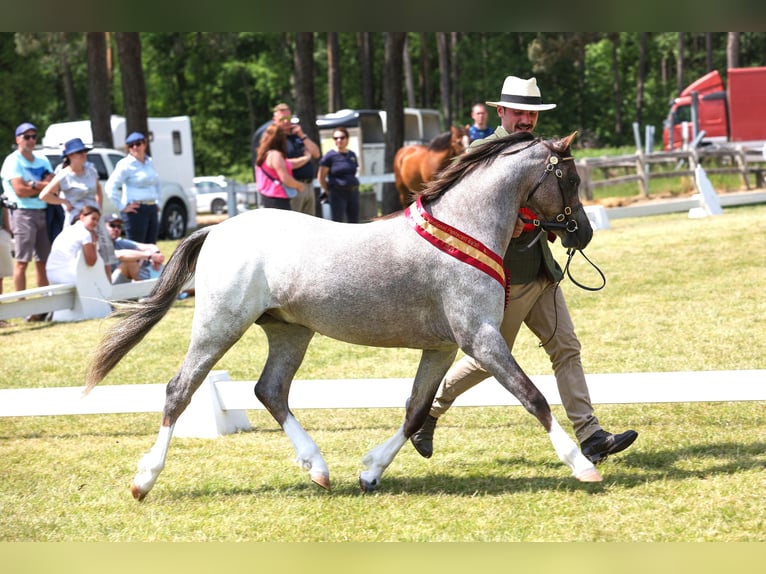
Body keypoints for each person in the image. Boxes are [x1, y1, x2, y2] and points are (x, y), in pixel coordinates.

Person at [410, 75, 638, 465]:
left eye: (531, 113)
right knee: (487, 360)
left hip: (542, 272)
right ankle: (428, 411)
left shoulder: (540, 152)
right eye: (518, 112)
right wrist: (512, 221)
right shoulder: (482, 151)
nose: (526, 119)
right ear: (502, 112)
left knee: (566, 348)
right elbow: (456, 210)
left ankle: (590, 435)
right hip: (503, 279)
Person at [40, 137, 116, 281]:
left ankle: (108, 294)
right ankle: (81, 289)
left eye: (84, 152)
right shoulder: (64, 175)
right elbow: (44, 195)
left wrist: (98, 208)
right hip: (77, 221)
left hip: (95, 218)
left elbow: (98, 189)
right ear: (70, 156)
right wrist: (64, 202)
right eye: (79, 152)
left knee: (105, 255)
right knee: (80, 258)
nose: (83, 155)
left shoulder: (91, 170)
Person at [0, 122, 55, 297]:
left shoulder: (43, 159)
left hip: (43, 212)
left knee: (43, 261)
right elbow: (20, 191)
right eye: (26, 137)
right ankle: (22, 304)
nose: (31, 140)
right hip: (22, 213)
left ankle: (45, 304)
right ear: (18, 139)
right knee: (22, 261)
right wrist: (42, 186)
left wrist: (32, 184)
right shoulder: (12, 160)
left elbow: (54, 186)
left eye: (33, 136)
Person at [252, 102, 320, 216]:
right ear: (275, 119)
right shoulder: (275, 141)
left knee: (310, 226)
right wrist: (305, 158)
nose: (286, 121)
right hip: (291, 187)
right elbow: (285, 164)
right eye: (282, 118)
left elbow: (317, 153)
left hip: (308, 185)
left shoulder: (297, 135)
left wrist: (302, 135)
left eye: (288, 118)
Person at [105, 132, 161, 244]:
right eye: (131, 145)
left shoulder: (149, 161)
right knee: (137, 247)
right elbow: (110, 186)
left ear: (144, 145)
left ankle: (149, 262)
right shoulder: (125, 164)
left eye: (138, 143)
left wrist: (159, 203)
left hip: (151, 208)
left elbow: (157, 183)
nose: (135, 147)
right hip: (136, 210)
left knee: (151, 247)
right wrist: (122, 207)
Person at [254, 124, 311, 211]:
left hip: (266, 198)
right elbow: (286, 179)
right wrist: (299, 185)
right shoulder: (276, 155)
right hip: (277, 199)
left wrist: (306, 158)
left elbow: (290, 163)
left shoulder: (263, 155)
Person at [45, 205, 102, 285]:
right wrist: (94, 242)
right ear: (82, 217)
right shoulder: (85, 233)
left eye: (97, 220)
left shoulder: (68, 230)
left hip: (51, 275)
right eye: (93, 219)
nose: (96, 223)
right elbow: (91, 261)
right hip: (67, 277)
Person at [103, 213, 164, 284]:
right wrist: (149, 256)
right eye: (112, 225)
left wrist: (156, 254)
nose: (116, 229)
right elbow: (120, 255)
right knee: (130, 263)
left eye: (119, 226)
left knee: (140, 260)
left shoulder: (119, 242)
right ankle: (154, 290)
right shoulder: (100, 243)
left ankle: (160, 287)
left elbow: (150, 246)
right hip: (103, 287)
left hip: (114, 284)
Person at [318, 127, 361, 223]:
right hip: (337, 192)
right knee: (338, 222)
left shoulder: (352, 155)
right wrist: (328, 191)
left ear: (347, 138)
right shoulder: (329, 156)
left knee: (354, 222)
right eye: (336, 138)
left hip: (353, 191)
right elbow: (321, 177)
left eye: (342, 137)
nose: (339, 140)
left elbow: (354, 171)